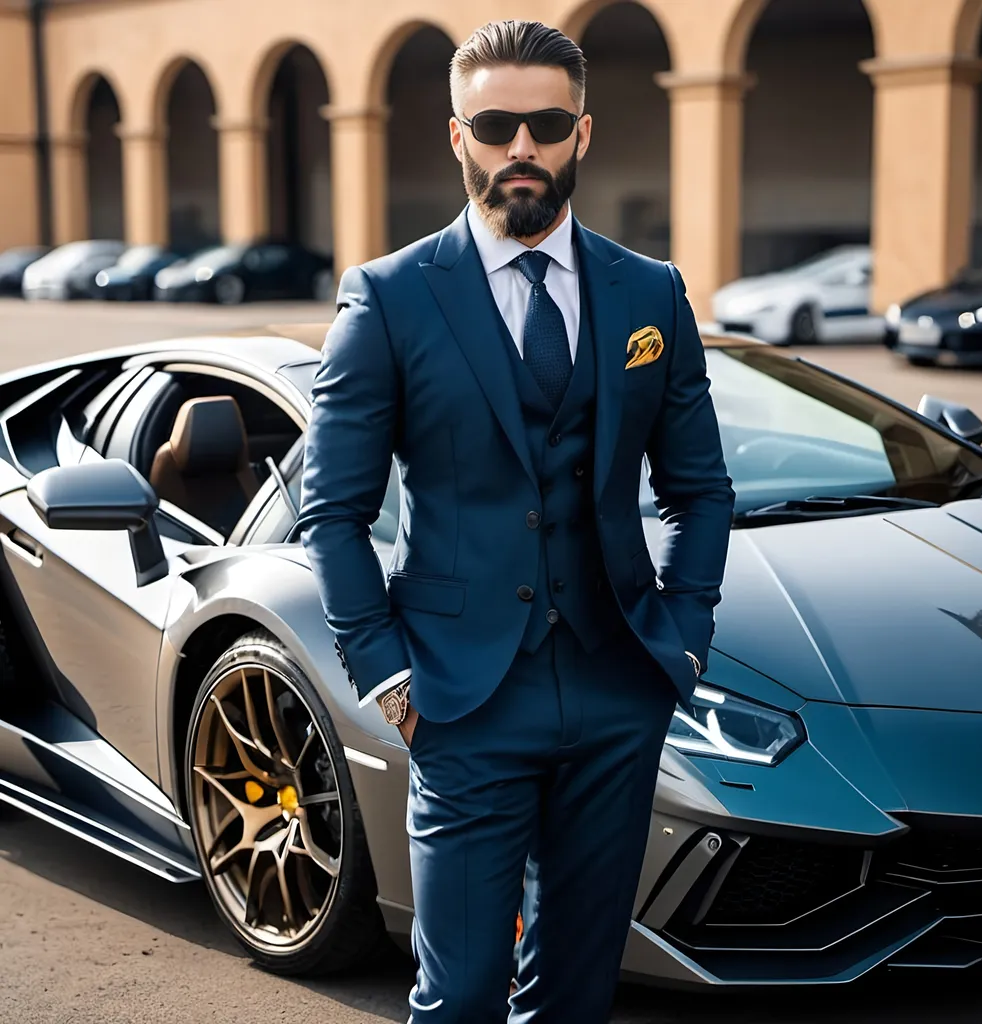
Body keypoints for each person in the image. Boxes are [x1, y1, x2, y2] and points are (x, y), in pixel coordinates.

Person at [296, 19, 735, 1023]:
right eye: (496, 125)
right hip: (460, 696)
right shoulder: (389, 298)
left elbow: (701, 491)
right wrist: (385, 670)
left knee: (578, 995)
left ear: (583, 132)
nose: (521, 147)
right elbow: (333, 511)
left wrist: (688, 636)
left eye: (545, 123)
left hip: (616, 687)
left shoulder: (649, 293)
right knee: (459, 999)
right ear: (459, 139)